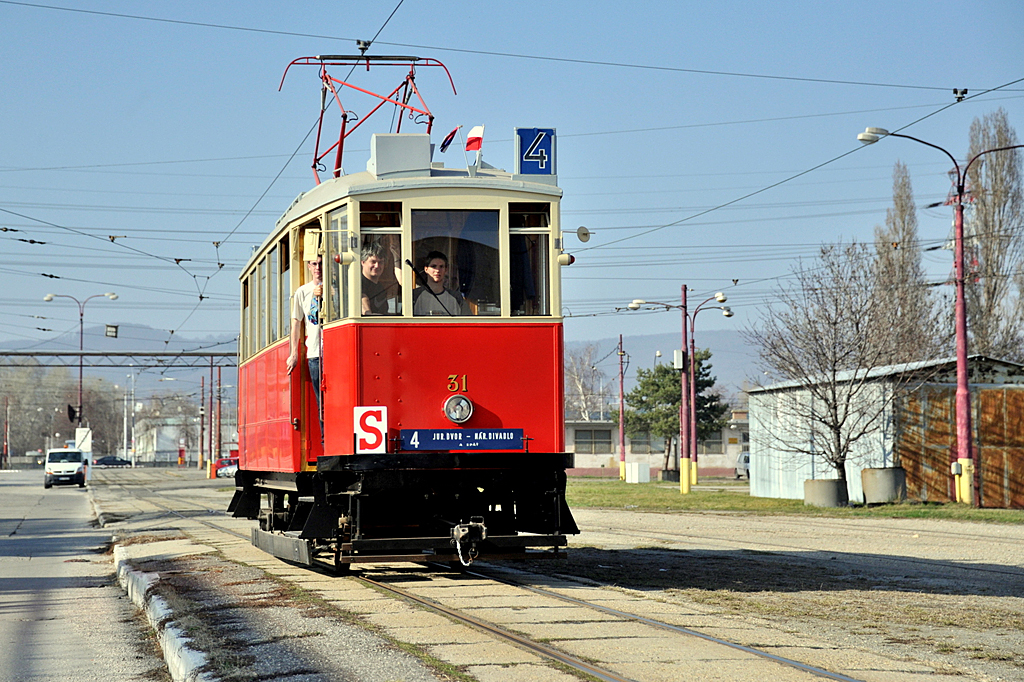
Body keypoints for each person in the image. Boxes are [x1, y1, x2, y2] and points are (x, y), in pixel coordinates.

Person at [286, 255, 324, 440]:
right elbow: (296, 323)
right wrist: (294, 353)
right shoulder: (302, 292)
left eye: (321, 263)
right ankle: (325, 440)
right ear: (308, 266)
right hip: (315, 353)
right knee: (321, 402)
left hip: (335, 352)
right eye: (314, 264)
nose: (318, 267)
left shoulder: (337, 288)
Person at [413, 251, 467, 316]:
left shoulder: (456, 297)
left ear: (446, 270)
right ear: (426, 269)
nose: (437, 270)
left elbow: (469, 322)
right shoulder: (414, 296)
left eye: (441, 266)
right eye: (433, 266)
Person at [360, 242, 395, 315]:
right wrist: (368, 315)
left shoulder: (380, 287)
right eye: (373, 262)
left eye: (381, 262)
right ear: (363, 262)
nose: (377, 266)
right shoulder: (359, 283)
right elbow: (363, 301)